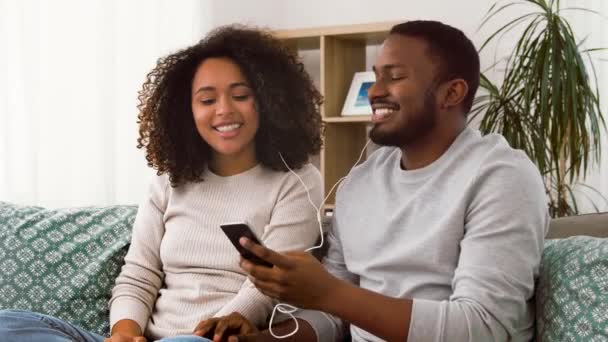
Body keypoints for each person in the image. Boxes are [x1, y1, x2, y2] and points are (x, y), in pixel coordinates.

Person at [0, 25, 324, 342]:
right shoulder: (170, 180)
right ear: (187, 111)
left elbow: (270, 284)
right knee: (9, 323)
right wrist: (124, 333)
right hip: (149, 337)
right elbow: (140, 273)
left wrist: (223, 324)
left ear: (268, 101)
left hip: (209, 338)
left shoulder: (296, 182)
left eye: (240, 95)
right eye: (207, 100)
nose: (224, 110)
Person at [236, 20, 549, 342]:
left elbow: (483, 327)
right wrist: (265, 339)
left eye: (395, 77)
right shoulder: (360, 183)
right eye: (375, 77)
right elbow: (334, 315)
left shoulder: (500, 177)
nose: (374, 91)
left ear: (451, 93)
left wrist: (329, 293)